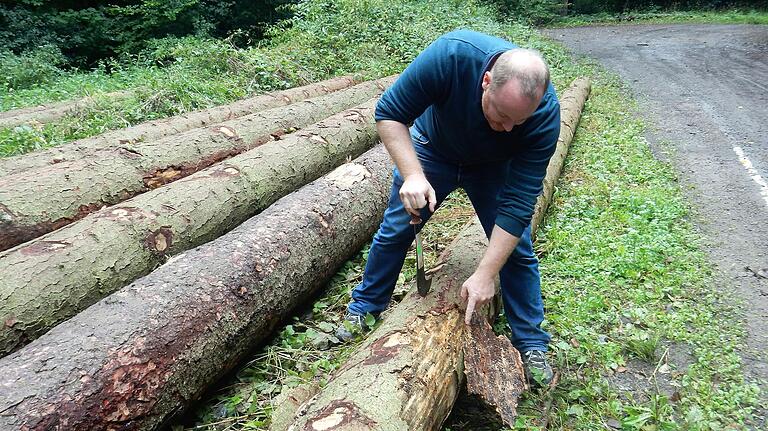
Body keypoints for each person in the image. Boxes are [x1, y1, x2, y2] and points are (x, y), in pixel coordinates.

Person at [336, 29, 561, 387]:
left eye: (518, 122)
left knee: (515, 249)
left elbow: (519, 205)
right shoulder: (452, 56)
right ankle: (364, 308)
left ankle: (531, 342)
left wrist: (486, 273)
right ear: (486, 81)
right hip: (433, 150)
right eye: (501, 114)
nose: (507, 128)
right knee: (396, 230)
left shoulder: (545, 115)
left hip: (492, 168)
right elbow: (389, 113)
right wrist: (412, 175)